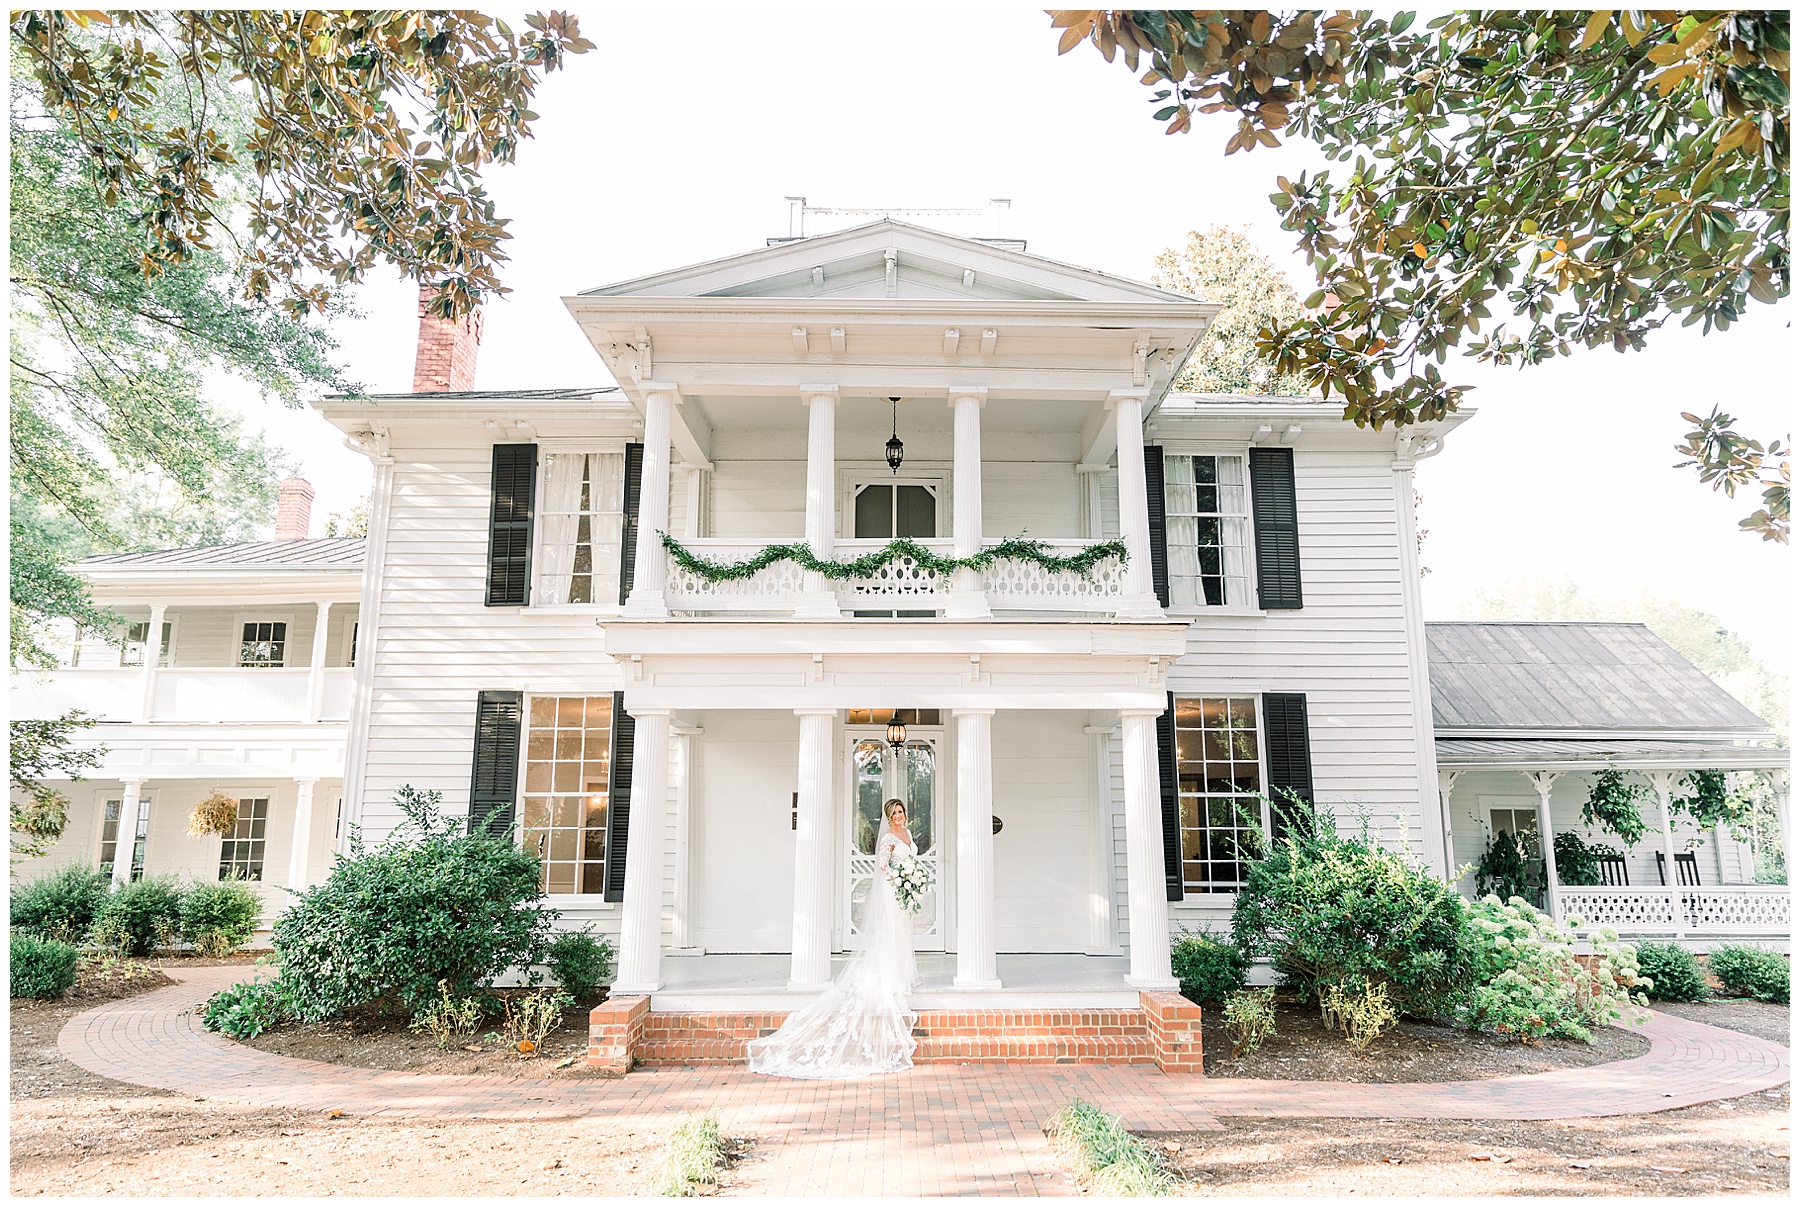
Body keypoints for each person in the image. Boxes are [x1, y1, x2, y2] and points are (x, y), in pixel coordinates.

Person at [746, 797, 919, 1079]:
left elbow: (912, 857)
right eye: (894, 813)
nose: (899, 816)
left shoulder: (908, 834)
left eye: (901, 811)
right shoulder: (888, 837)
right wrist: (901, 877)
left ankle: (901, 973)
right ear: (888, 817)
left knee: (903, 933)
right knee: (890, 933)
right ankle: (888, 977)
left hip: (905, 892)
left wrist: (912, 878)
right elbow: (883, 866)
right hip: (893, 889)